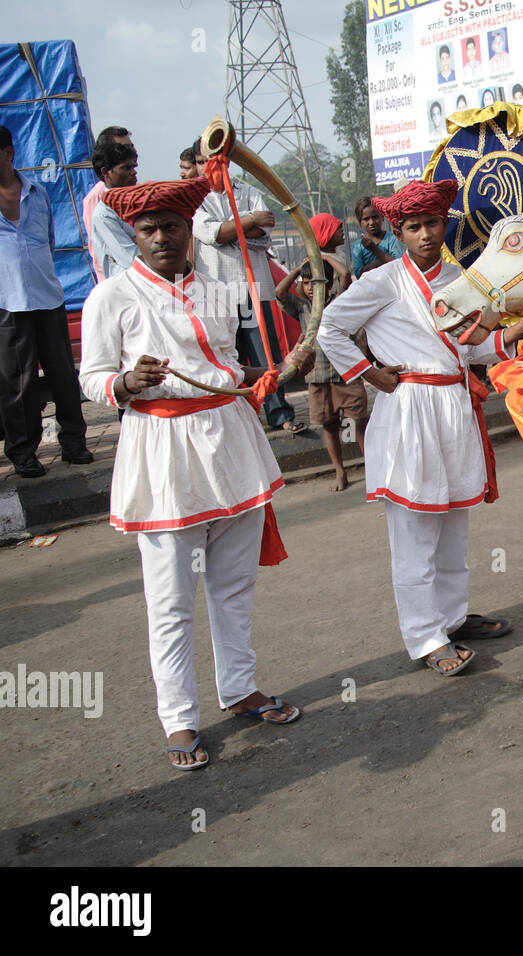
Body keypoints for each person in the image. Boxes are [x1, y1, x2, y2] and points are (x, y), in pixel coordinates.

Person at [78, 176, 312, 770]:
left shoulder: (217, 287)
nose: (161, 238)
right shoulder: (112, 296)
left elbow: (225, 365)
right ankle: (179, 720)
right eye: (148, 229)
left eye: (172, 227)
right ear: (132, 234)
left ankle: (238, 689)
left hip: (228, 441)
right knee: (170, 599)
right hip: (162, 451)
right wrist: (127, 383)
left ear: (189, 231)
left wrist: (278, 368)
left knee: (232, 584)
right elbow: (92, 377)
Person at [317, 180, 523, 674]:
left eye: (433, 223)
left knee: (454, 523)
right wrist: (368, 372)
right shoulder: (382, 280)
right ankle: (424, 636)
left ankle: (451, 618)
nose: (425, 234)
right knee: (414, 531)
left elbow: (469, 350)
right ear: (399, 231)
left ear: (445, 224)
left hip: (454, 405)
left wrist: (514, 334)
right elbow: (329, 327)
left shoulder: (461, 279)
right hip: (407, 405)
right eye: (413, 226)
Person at [0, 125, 92, 478]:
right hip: (8, 304)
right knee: (17, 383)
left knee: (63, 375)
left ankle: (74, 443)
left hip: (47, 296)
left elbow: (49, 242)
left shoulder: (36, 194)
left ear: (8, 153)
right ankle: (23, 453)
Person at [192, 163, 303, 433]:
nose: (210, 166)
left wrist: (233, 228)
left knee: (265, 353)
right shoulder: (196, 198)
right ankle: (240, 415)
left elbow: (263, 235)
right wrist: (250, 221)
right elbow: (212, 234)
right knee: (230, 356)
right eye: (202, 160)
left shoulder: (250, 191)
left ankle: (279, 413)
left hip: (253, 288)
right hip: (218, 291)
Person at [274, 213, 367, 492]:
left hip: (345, 370)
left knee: (359, 421)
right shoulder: (302, 308)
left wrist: (323, 258)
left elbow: (342, 275)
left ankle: (372, 467)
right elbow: (280, 292)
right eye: (305, 284)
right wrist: (301, 267)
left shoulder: (338, 297)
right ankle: (340, 471)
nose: (309, 288)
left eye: (314, 284)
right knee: (328, 425)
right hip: (317, 376)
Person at [83, 126, 132, 279]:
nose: (128, 151)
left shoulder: (132, 192)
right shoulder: (97, 198)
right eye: (122, 147)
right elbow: (99, 248)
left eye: (130, 147)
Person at [352, 195, 404, 277]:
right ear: (360, 222)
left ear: (382, 217)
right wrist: (382, 260)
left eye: (375, 217)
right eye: (366, 219)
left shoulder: (392, 239)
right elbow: (359, 273)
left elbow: (399, 265)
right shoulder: (358, 246)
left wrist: (374, 249)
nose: (371, 222)